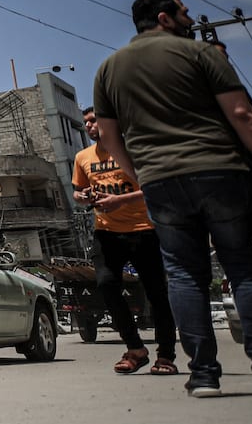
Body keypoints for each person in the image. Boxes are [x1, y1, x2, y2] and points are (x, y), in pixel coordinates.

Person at [93, 0, 252, 399]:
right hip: (220, 171)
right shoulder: (202, 55)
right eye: (184, 12)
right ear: (165, 18)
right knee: (242, 267)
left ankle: (203, 373)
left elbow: (111, 138)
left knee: (184, 275)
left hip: (161, 183)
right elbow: (243, 115)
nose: (191, 17)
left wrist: (142, 175)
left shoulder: (108, 69)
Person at [73, 107, 177, 376]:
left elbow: (154, 186)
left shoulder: (133, 150)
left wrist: (120, 200)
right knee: (106, 285)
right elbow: (77, 191)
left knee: (157, 294)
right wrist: (83, 197)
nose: (89, 126)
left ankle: (165, 355)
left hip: (144, 230)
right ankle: (136, 349)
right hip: (106, 232)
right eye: (85, 123)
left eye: (94, 120)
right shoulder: (82, 157)